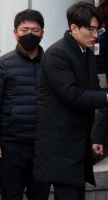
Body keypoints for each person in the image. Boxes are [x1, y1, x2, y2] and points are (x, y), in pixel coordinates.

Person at [33, 2, 108, 200]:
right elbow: (72, 95)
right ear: (73, 28)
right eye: (90, 29)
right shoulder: (57, 53)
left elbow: (93, 90)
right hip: (60, 144)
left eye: (98, 29)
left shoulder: (86, 52)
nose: (95, 35)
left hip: (77, 142)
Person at [0, 9, 51, 200]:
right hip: (11, 145)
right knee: (11, 195)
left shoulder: (51, 64)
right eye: (24, 29)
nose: (30, 34)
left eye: (35, 30)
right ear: (15, 33)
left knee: (40, 196)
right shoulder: (3, 65)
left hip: (42, 146)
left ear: (42, 33)